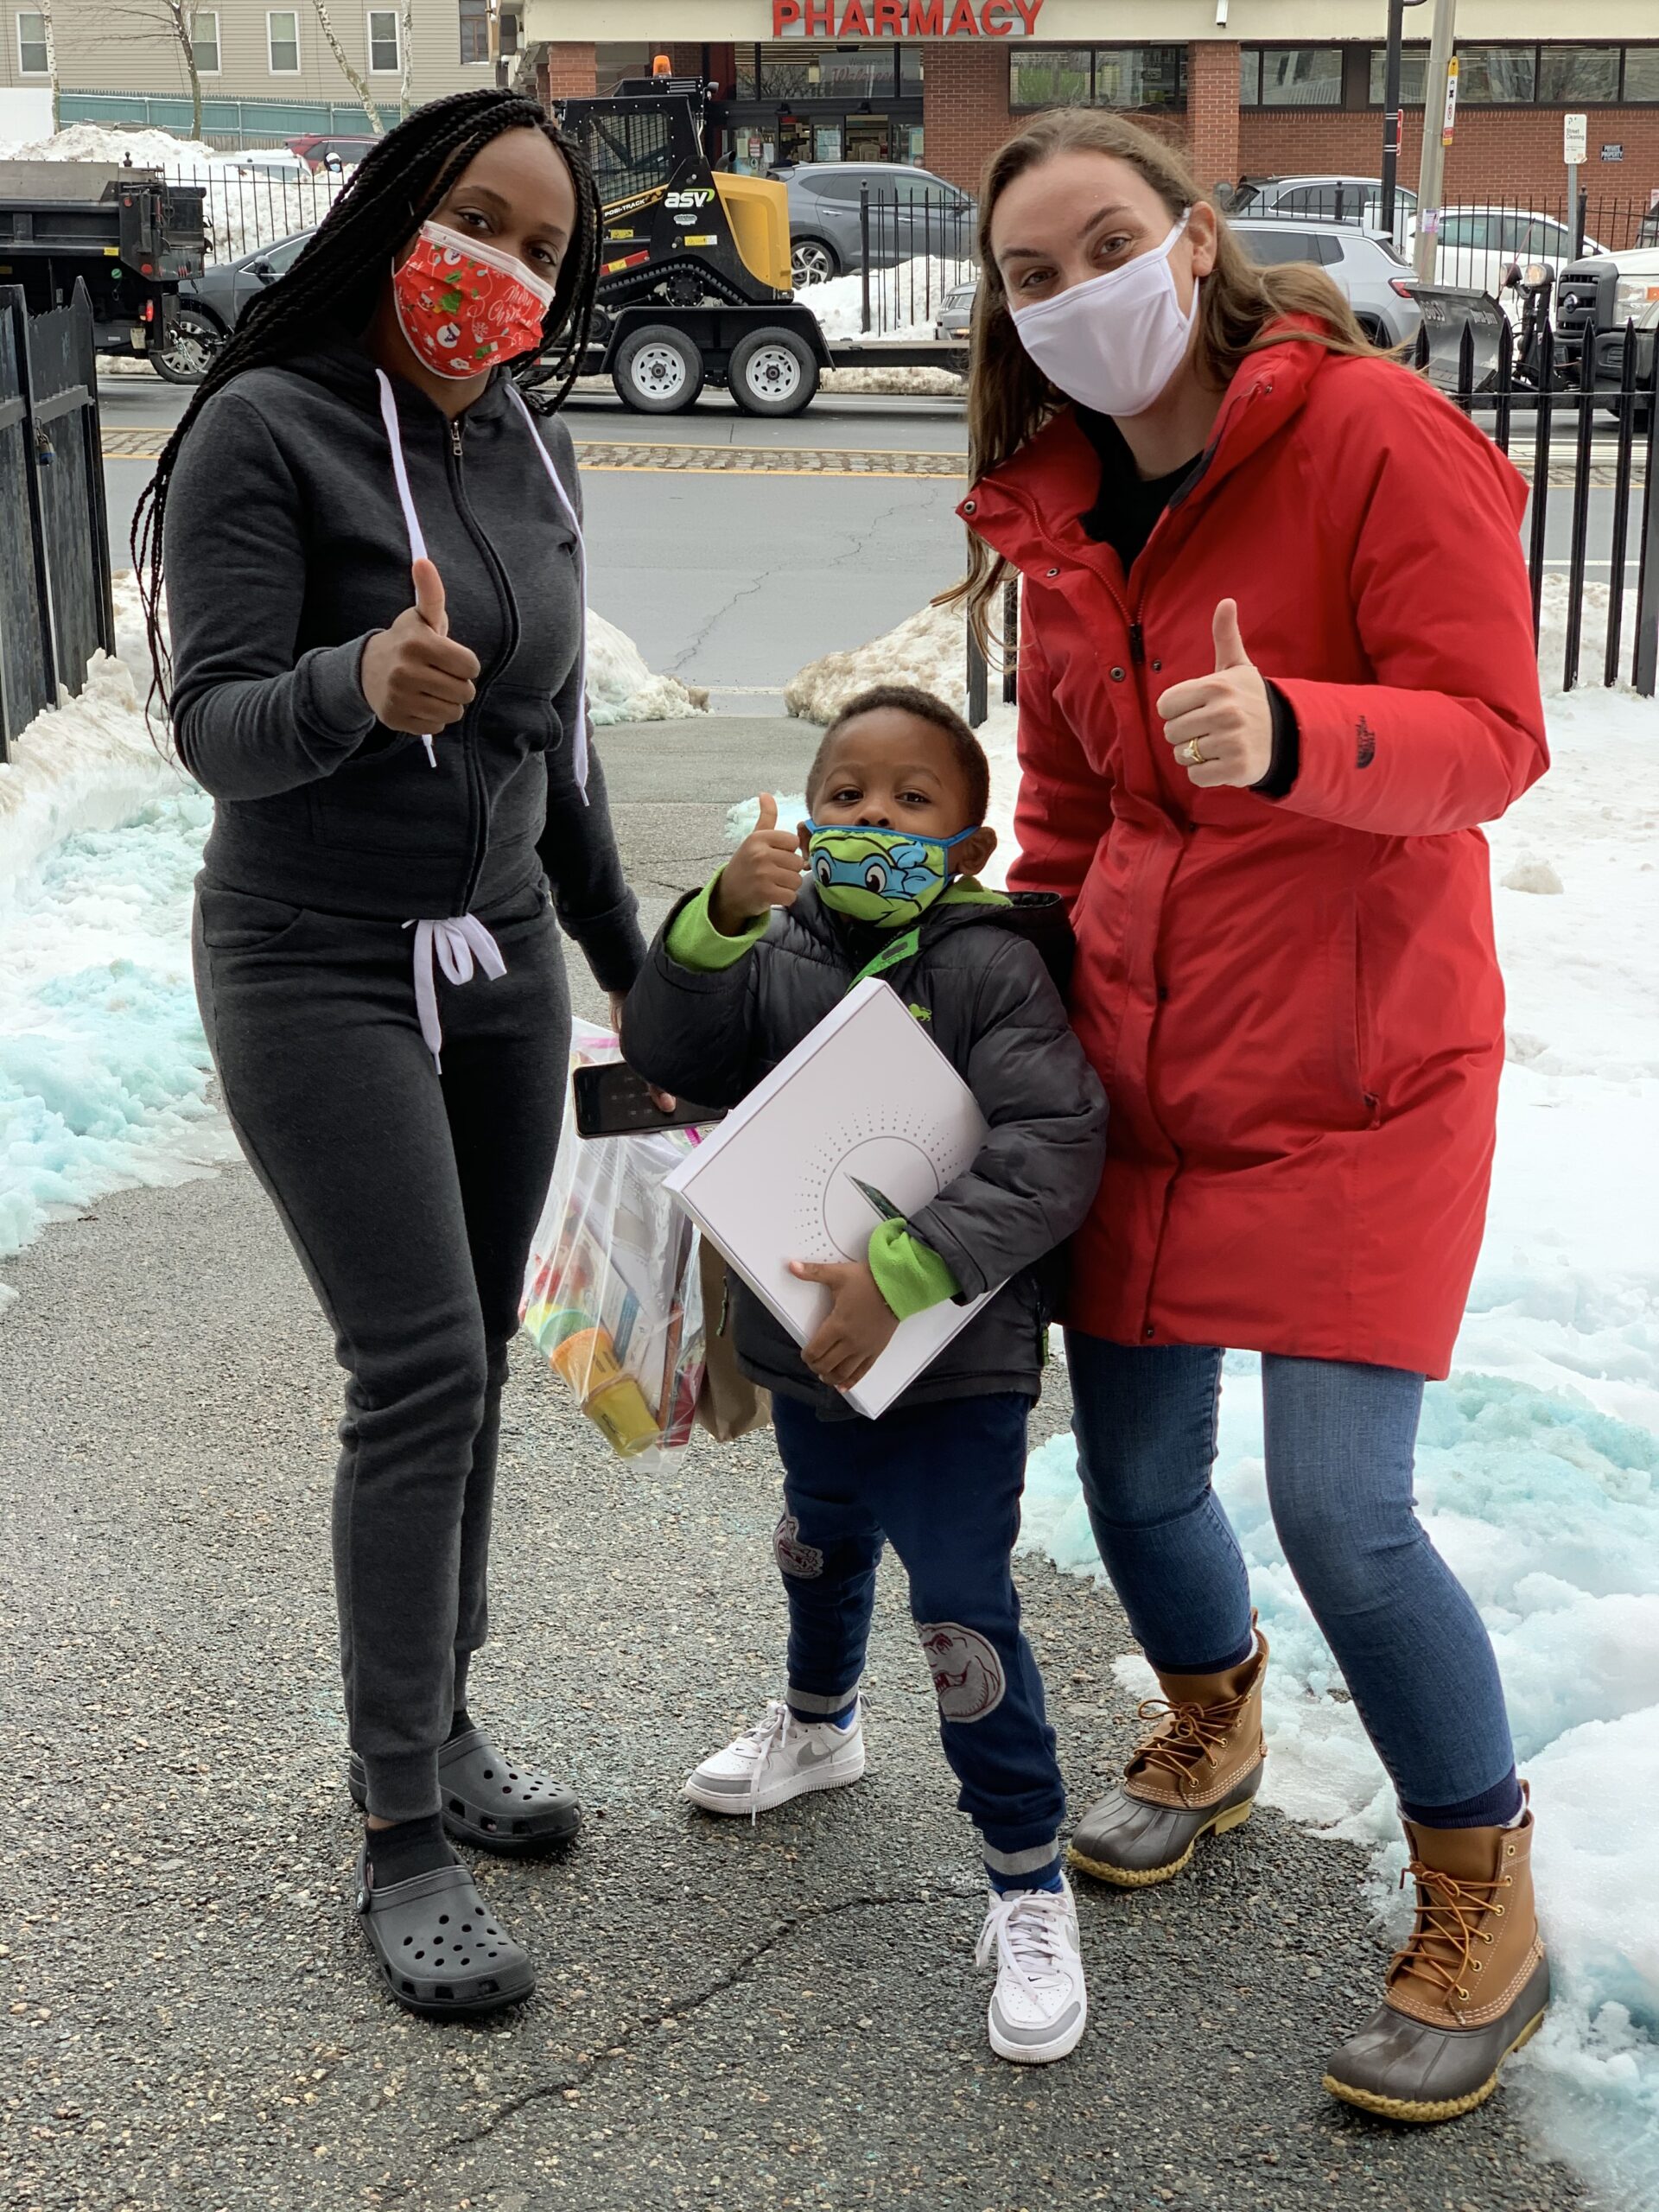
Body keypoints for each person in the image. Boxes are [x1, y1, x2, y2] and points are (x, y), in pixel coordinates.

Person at [954, 109, 1551, 2122]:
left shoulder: (1374, 438)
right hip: (1142, 1060)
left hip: (1367, 1063)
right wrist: (1001, 987)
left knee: (1345, 1509)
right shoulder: (1054, 510)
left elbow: (1493, 735)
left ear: (1193, 242)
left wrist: (1302, 729)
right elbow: (1064, 804)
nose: (1073, 294)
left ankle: (1488, 1894)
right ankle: (1210, 1723)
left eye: (1103, 243)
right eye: (1031, 277)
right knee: (1129, 1481)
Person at [133, 90, 645, 2019]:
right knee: (417, 1358)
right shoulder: (266, 430)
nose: (495, 269)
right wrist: (357, 683)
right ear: (393, 217)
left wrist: (623, 957)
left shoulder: (530, 437)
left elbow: (562, 741)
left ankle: (443, 1718)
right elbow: (218, 730)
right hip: (309, 950)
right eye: (470, 219)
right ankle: (396, 1828)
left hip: (497, 952)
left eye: (535, 244)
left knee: (482, 1349)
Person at [622, 686, 1109, 2064]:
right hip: (802, 1345)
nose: (872, 820)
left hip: (955, 1356)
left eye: (911, 803)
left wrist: (908, 1271)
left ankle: (1025, 1875)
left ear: (968, 844)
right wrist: (713, 919)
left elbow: (1052, 1144)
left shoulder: (992, 964)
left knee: (960, 1604)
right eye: (845, 795)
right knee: (817, 1542)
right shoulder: (773, 944)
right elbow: (669, 1051)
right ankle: (822, 1724)